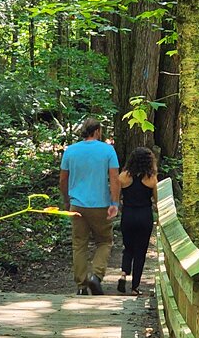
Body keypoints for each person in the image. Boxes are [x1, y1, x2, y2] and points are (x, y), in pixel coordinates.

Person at [59, 117, 120, 295]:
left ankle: (81, 286)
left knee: (79, 244)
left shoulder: (70, 151)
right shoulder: (108, 150)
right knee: (105, 241)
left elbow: (63, 179)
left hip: (77, 204)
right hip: (100, 205)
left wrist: (67, 199)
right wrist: (114, 203)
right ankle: (96, 275)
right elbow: (114, 178)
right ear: (98, 131)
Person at [116, 147, 158, 296]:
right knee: (140, 252)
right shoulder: (151, 178)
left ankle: (123, 274)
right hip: (144, 215)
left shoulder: (123, 177)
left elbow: (116, 196)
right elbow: (157, 200)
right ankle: (135, 287)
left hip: (128, 214)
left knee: (128, 247)